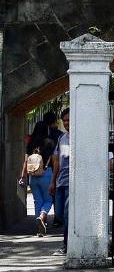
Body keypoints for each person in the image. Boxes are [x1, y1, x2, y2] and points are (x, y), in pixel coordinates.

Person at [19, 120, 56, 237]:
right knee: (49, 200)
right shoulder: (50, 142)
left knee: (38, 201)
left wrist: (22, 177)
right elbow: (55, 161)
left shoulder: (31, 143)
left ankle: (40, 229)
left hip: (33, 176)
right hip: (47, 173)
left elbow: (26, 161)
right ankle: (42, 215)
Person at [49, 109, 70, 255]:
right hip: (61, 181)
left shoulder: (81, 137)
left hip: (72, 183)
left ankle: (66, 245)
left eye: (69, 120)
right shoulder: (62, 138)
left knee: (68, 215)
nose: (67, 123)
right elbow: (56, 161)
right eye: (65, 120)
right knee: (60, 215)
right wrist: (53, 181)